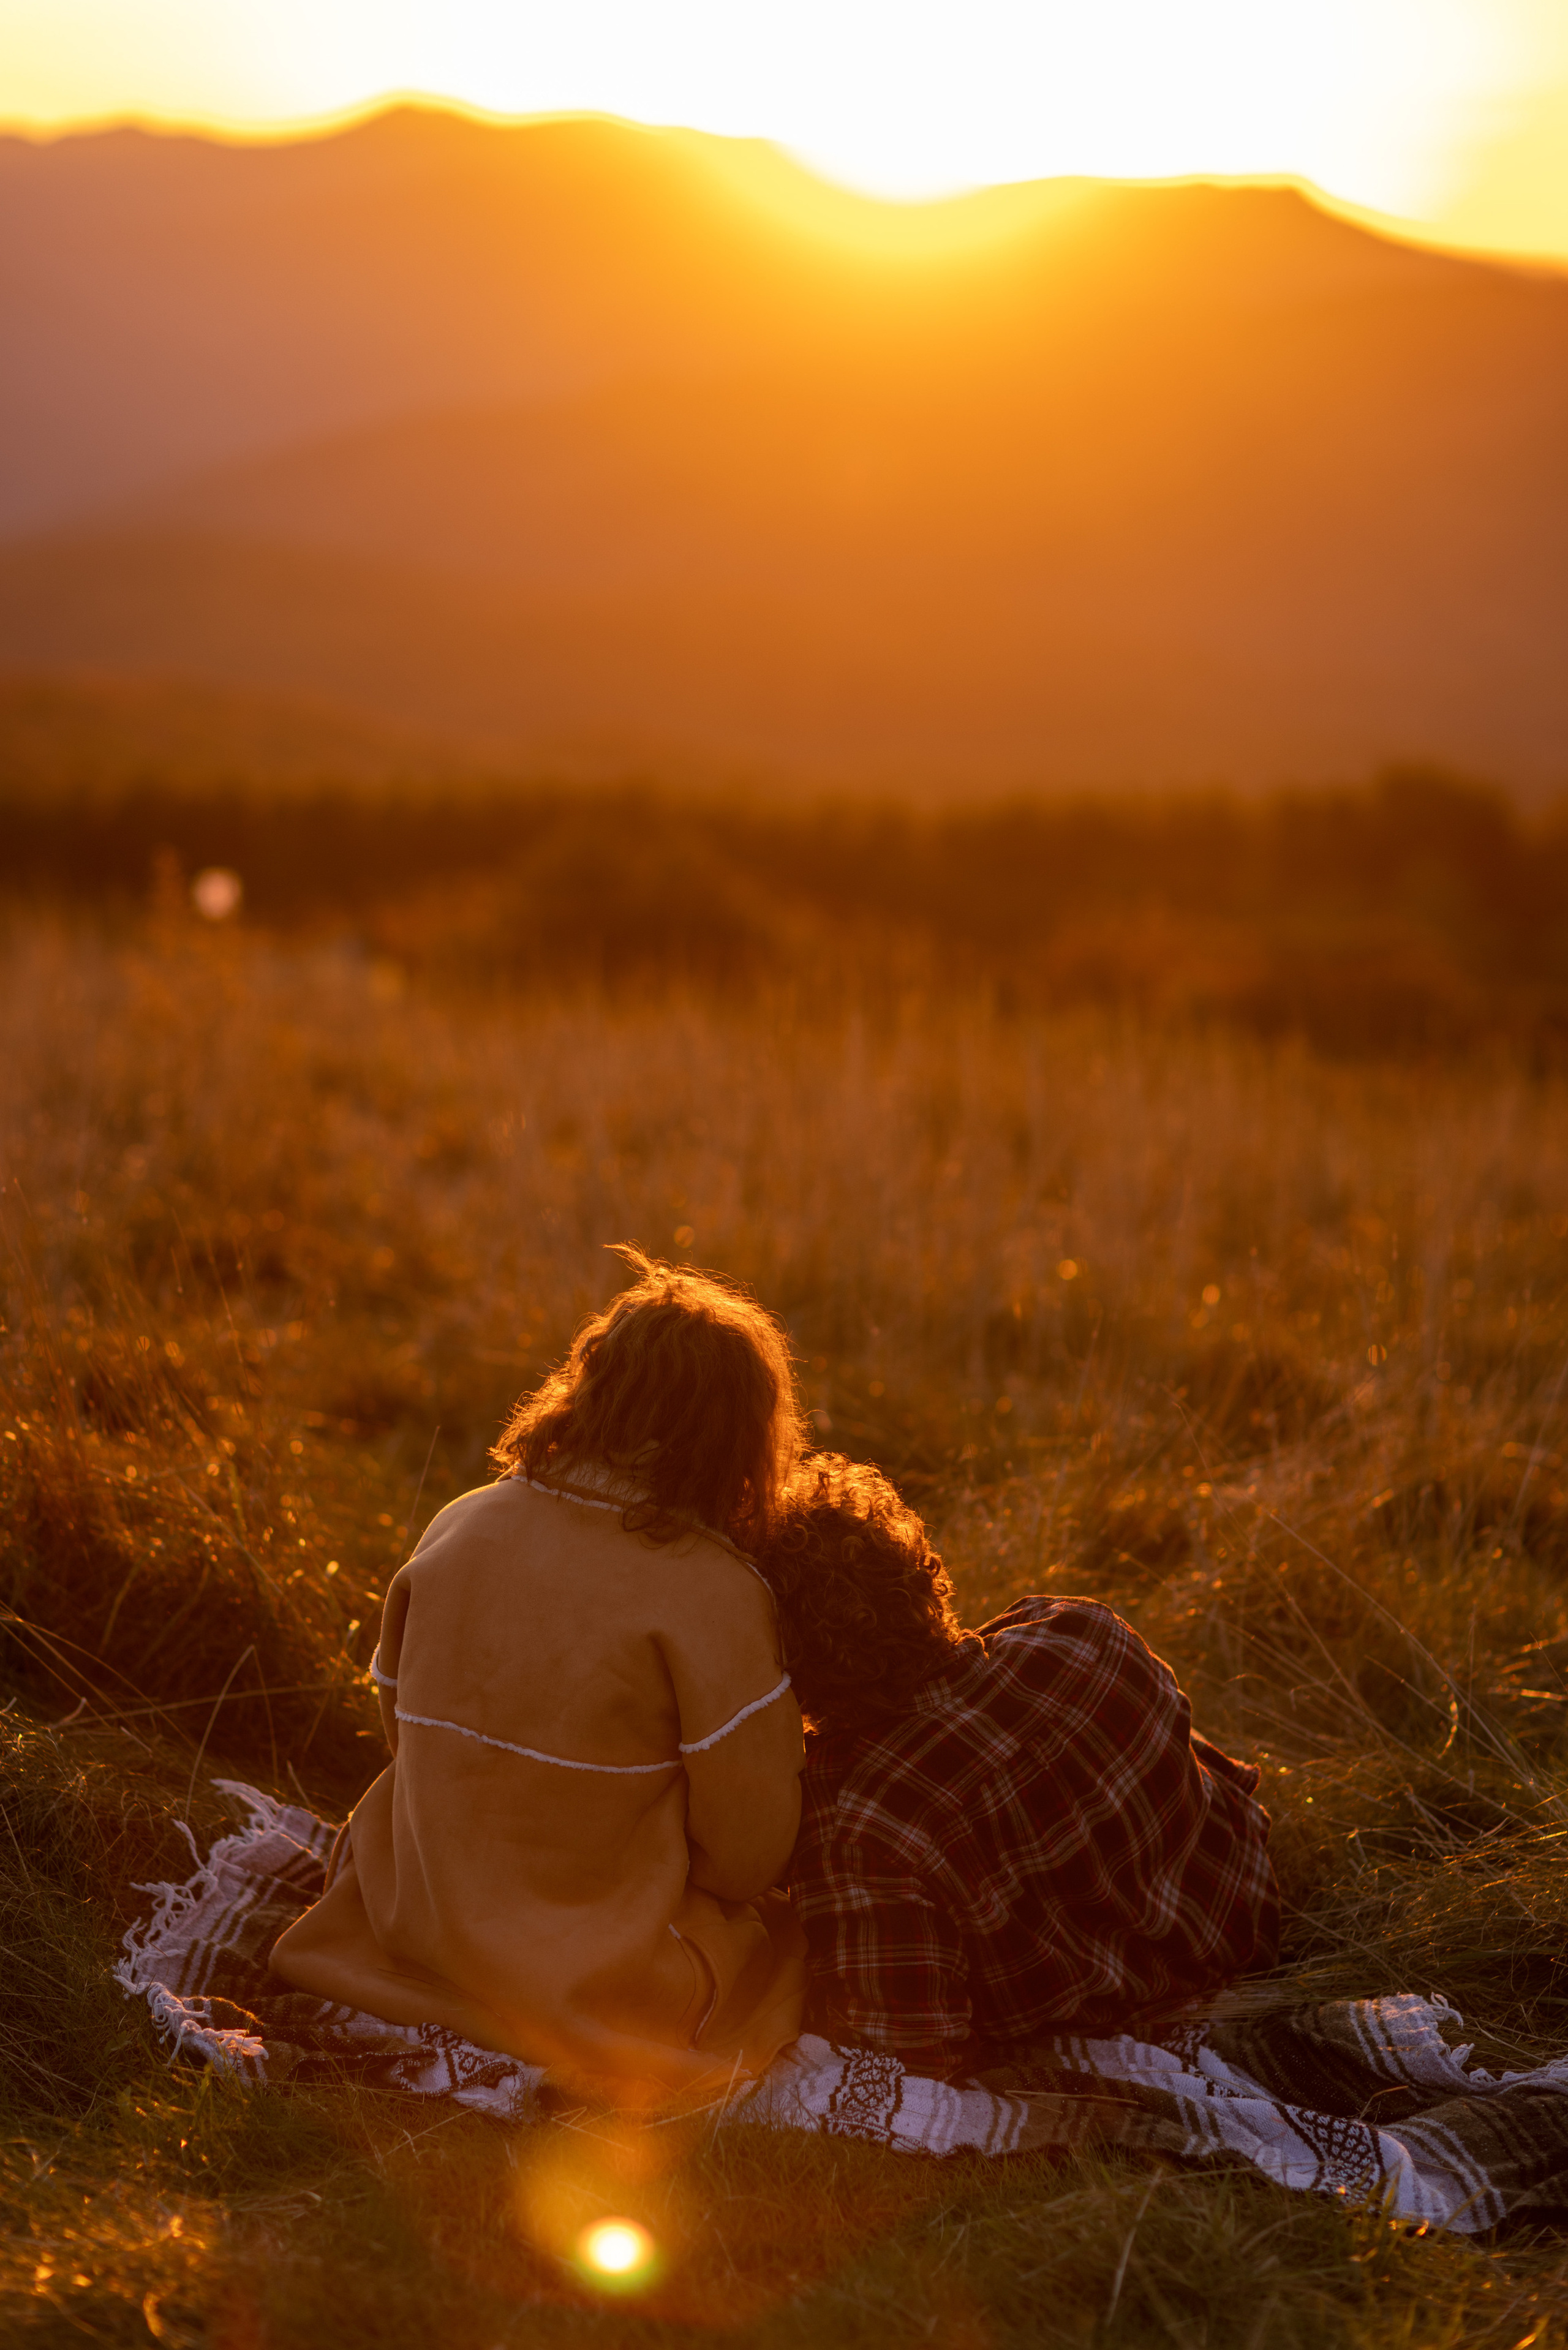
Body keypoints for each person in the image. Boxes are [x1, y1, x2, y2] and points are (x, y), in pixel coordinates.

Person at [270, 1248, 809, 2101]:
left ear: (588, 1388)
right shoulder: (718, 1589)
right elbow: (748, 1852)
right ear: (737, 1436)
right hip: (597, 1971)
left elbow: (397, 1726)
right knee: (791, 1949)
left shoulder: (461, 1522)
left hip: (411, 1918)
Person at [759, 1453, 1280, 2079]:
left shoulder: (857, 1819)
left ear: (786, 1662)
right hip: (1243, 1929)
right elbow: (1220, 1786)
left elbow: (908, 2055)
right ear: (913, 1569)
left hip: (1105, 2031)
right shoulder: (1080, 1631)